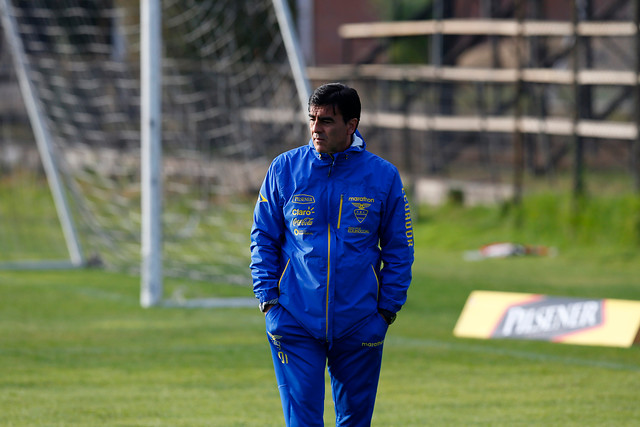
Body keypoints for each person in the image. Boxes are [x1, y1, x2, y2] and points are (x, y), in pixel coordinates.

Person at [250, 83, 414, 426]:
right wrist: (269, 301)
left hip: (360, 322)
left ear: (351, 125)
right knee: (303, 422)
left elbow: (400, 248)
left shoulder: (383, 176)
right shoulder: (284, 169)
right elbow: (263, 237)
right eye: (312, 119)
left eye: (326, 120)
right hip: (294, 319)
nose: (315, 128)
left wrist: (385, 312)